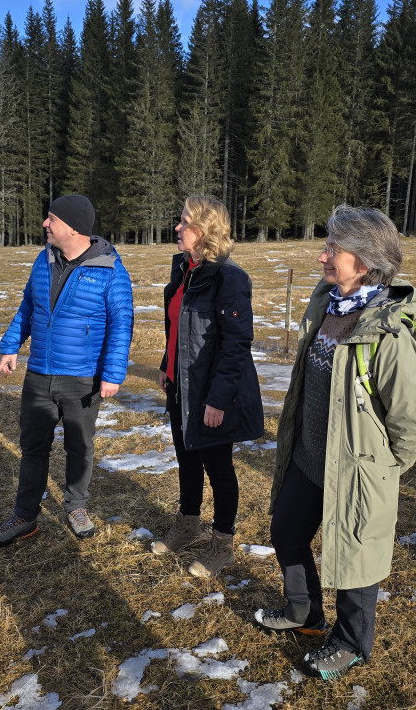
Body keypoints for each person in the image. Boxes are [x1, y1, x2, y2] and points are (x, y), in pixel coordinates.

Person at [256, 205, 416, 680]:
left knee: (356, 558)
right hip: (309, 457)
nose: (322, 257)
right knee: (286, 533)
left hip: (357, 468)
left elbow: (409, 424)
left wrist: (380, 467)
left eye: (334, 249)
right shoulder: (326, 303)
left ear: (366, 261)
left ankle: (352, 641)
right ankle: (304, 612)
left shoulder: (388, 333)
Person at [0, 194, 134, 546]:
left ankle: (76, 506)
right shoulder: (43, 259)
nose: (45, 224)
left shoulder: (110, 269)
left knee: (79, 446)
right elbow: (28, 304)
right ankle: (24, 516)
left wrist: (113, 373)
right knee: (33, 447)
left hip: (82, 378)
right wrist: (10, 345)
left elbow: (121, 323)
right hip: (39, 374)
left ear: (72, 227)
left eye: (50, 218)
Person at [150, 195, 263, 578]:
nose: (177, 228)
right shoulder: (183, 270)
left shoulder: (230, 278)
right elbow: (176, 329)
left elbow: (235, 346)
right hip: (181, 387)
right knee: (186, 459)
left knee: (218, 466)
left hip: (212, 392)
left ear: (205, 230)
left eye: (185, 222)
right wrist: (167, 367)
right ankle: (188, 524)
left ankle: (222, 543)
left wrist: (217, 400)